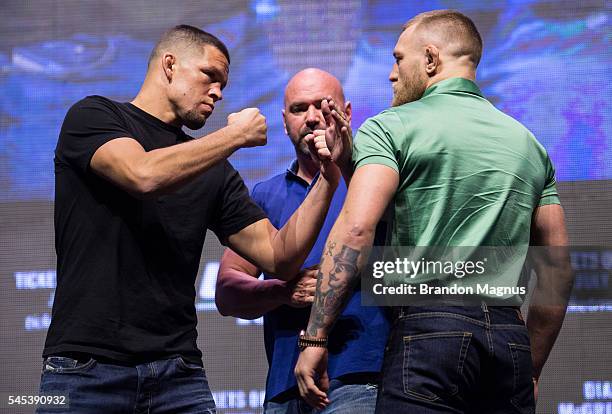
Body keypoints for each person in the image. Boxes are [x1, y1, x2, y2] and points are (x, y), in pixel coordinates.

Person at [38, 25, 343, 414]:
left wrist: (329, 178)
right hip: (84, 369)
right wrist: (233, 137)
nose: (217, 92)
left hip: (178, 375)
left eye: (223, 84)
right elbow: (142, 175)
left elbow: (279, 256)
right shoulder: (94, 116)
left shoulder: (212, 169)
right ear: (169, 64)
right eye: (209, 77)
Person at [294, 10, 574, 414]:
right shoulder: (529, 145)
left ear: (430, 59)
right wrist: (529, 365)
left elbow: (356, 229)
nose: (392, 74)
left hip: (429, 335)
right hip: (508, 340)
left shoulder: (391, 127)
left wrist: (316, 338)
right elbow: (558, 271)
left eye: (398, 59)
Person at [215, 68, 390, 414]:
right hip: (284, 388)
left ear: (347, 113)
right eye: (298, 109)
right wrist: (280, 291)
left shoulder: (375, 183)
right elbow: (226, 291)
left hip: (361, 377)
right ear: (284, 121)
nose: (311, 118)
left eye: (323, 106)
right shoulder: (266, 194)